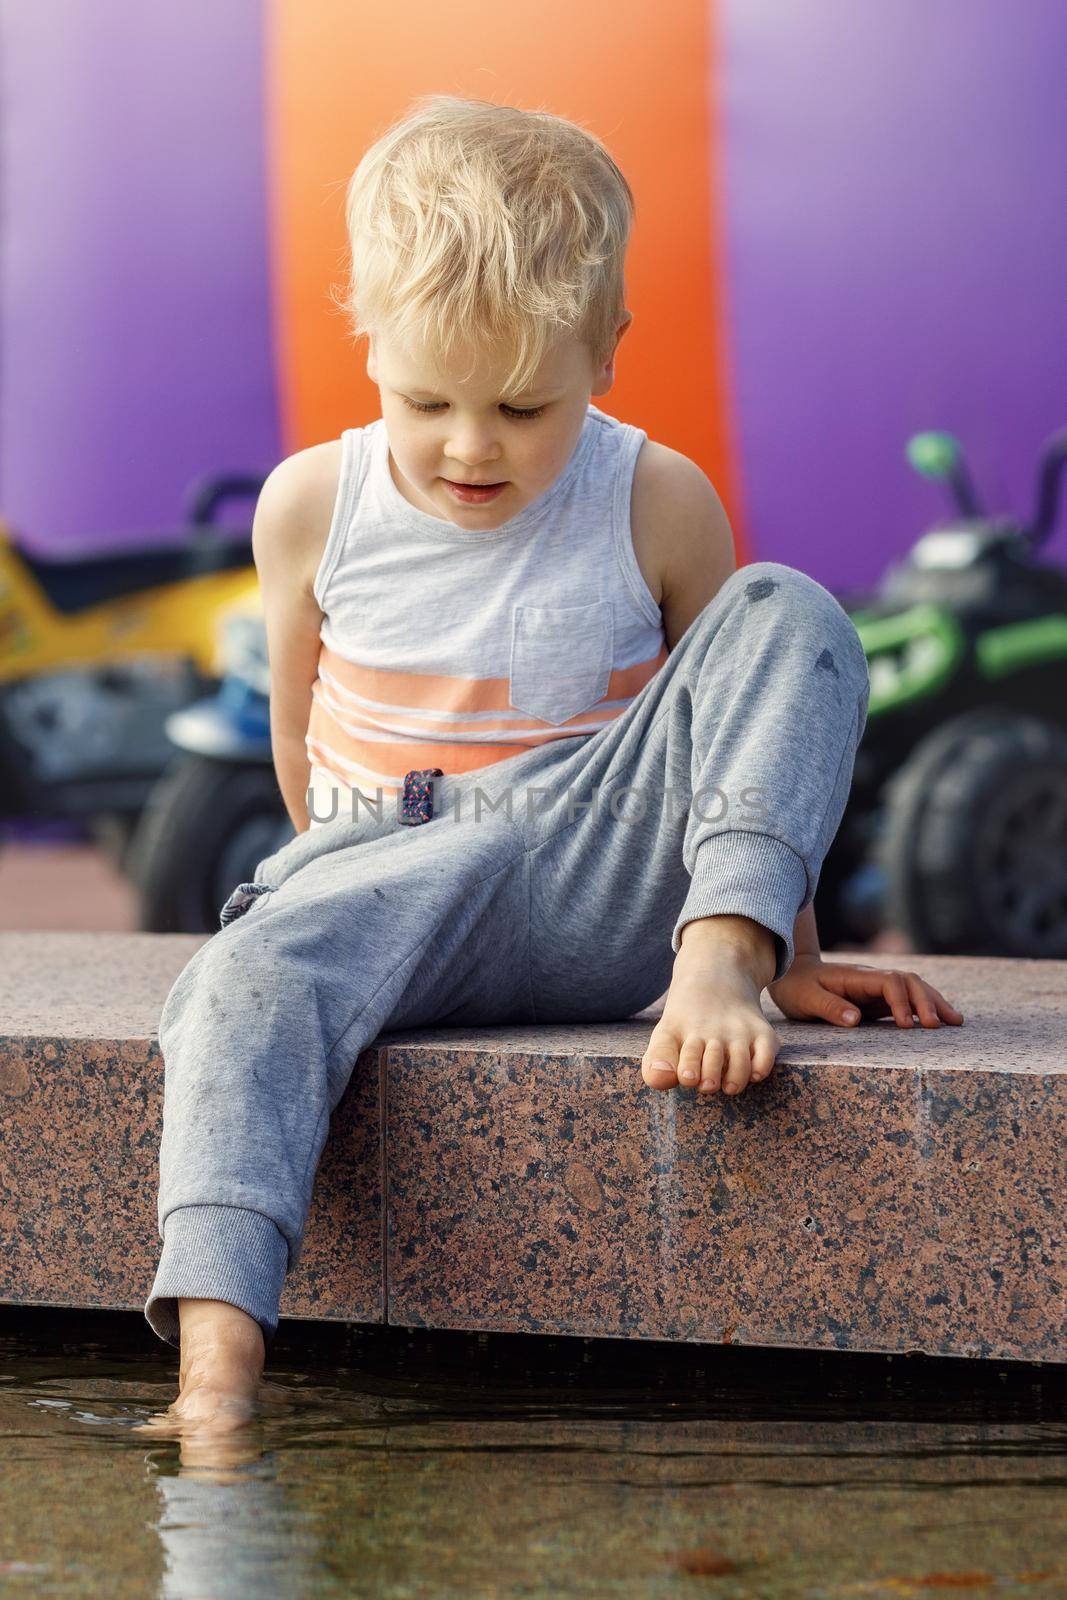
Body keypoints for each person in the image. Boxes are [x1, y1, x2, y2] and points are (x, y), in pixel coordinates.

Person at [136, 94, 963, 1439]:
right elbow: (298, 733)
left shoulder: (654, 496)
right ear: (369, 342)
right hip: (389, 868)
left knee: (793, 610)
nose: (472, 446)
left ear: (608, 349)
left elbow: (739, 712)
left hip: (598, 867)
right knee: (233, 983)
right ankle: (216, 1378)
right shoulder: (310, 506)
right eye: (426, 401)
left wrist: (783, 945)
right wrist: (328, 905)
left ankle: (719, 959)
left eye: (524, 405)